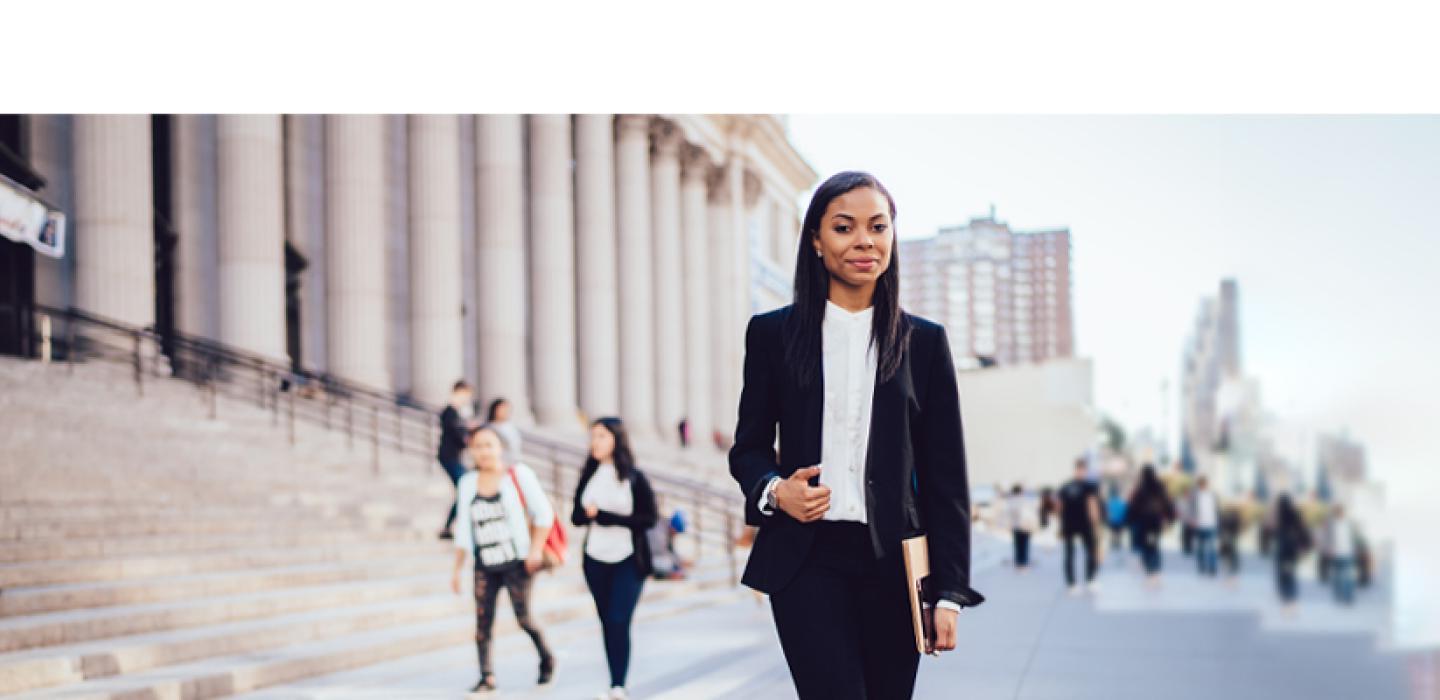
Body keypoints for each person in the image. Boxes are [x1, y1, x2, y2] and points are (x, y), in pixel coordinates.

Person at [729, 171, 983, 700]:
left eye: (878, 226)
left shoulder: (925, 344)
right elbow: (748, 448)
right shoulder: (773, 334)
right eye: (844, 227)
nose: (864, 241)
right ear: (816, 241)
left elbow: (946, 479)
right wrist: (777, 491)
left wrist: (951, 593)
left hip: (895, 565)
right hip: (806, 561)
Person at [449, 425, 557, 695]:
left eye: (489, 445)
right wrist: (456, 569)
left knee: (524, 618)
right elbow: (464, 529)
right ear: (471, 450)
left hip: (517, 562)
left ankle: (547, 658)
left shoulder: (518, 475)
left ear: (500, 448)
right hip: (485, 563)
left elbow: (544, 513)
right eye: (478, 446)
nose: (484, 451)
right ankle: (487, 676)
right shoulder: (467, 483)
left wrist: (535, 550)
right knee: (482, 621)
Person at [572, 417, 658, 700]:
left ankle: (618, 685)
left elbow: (649, 518)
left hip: (628, 558)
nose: (595, 442)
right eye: (592, 437)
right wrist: (587, 514)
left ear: (616, 440)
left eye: (601, 436)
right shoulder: (589, 474)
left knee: (619, 618)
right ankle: (613, 682)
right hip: (594, 558)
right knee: (607, 622)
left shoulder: (634, 476)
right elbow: (576, 517)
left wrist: (605, 517)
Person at [437, 380, 477, 540]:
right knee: (465, 490)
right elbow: (458, 436)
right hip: (449, 457)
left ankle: (449, 527)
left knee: (464, 491)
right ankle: (450, 527)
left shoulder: (457, 413)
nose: (467, 399)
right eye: (467, 395)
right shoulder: (450, 412)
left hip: (454, 457)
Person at [1057, 459, 1102, 595]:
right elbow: (1092, 505)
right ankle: (1085, 582)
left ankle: (1078, 583)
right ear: (1083, 470)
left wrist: (1061, 523)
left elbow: (1059, 507)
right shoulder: (1089, 486)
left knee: (1075, 553)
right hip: (1080, 524)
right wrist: (1096, 524)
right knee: (1084, 552)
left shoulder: (1066, 486)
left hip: (1073, 523)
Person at [1125, 465, 1175, 588]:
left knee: (1146, 548)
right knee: (1154, 546)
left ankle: (1150, 573)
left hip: (1144, 523)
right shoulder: (1160, 487)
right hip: (1155, 523)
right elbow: (1167, 503)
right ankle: (1156, 572)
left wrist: (1130, 520)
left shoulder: (1141, 488)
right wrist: (1170, 518)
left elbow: (1133, 506)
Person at [1273, 494, 1312, 614]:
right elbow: (1303, 530)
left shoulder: (1280, 515)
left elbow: (1273, 532)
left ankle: (1287, 604)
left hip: (1283, 551)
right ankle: (1292, 604)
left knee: (1284, 576)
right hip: (1292, 551)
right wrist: (1305, 546)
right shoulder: (1295, 514)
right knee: (1290, 575)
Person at [1325, 504, 1360, 605]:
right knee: (1337, 577)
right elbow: (1327, 538)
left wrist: (1356, 549)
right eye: (1338, 512)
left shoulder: (1349, 523)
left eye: (1341, 511)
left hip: (1347, 554)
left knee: (1347, 577)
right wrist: (1328, 549)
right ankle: (1339, 595)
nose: (1340, 513)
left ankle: (1348, 598)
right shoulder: (1331, 524)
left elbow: (1355, 537)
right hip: (1335, 554)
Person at [1192, 476, 1220, 577]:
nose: (1203, 486)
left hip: (1211, 524)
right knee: (1200, 548)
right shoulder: (1195, 496)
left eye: (1204, 484)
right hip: (1199, 525)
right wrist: (1193, 520)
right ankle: (1202, 566)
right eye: (1202, 484)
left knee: (1212, 548)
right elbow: (1192, 509)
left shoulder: (1212, 495)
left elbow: (1217, 509)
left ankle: (1212, 568)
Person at [1005, 484, 1036, 570]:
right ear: (1021, 491)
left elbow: (1008, 515)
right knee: (1025, 545)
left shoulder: (1010, 501)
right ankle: (1023, 563)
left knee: (1017, 545)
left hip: (1016, 526)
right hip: (1025, 525)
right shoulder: (1025, 501)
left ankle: (1018, 563)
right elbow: (1029, 514)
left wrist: (1009, 525)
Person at [485, 397, 523, 467]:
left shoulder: (511, 427)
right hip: (498, 463)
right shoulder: (488, 429)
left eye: (507, 409)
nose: (505, 412)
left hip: (513, 462)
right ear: (495, 410)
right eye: (502, 409)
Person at [1105, 484, 1128, 553]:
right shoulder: (1121, 502)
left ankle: (1113, 542)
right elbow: (1124, 511)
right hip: (1120, 521)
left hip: (1112, 521)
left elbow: (1107, 512)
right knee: (1118, 533)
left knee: (1113, 532)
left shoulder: (1109, 502)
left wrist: (1107, 520)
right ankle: (1118, 542)